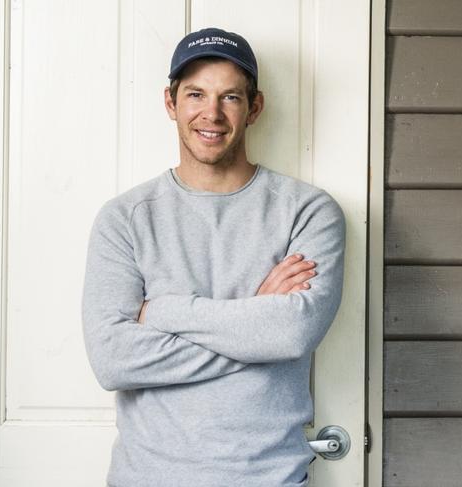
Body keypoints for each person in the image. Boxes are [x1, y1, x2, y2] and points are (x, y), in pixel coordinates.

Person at [82, 27, 346, 487]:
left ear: (254, 108)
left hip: (270, 479)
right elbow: (113, 360)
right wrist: (255, 320)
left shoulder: (307, 211)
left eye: (230, 98)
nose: (212, 114)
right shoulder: (125, 218)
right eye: (196, 95)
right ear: (171, 104)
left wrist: (164, 311)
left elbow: (291, 332)